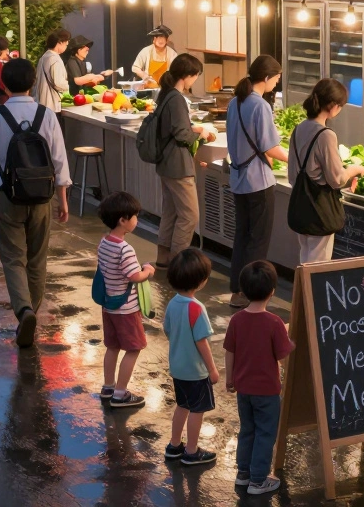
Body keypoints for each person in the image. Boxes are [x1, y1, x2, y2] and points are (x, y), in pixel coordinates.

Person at [0, 58, 71, 348]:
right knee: (37, 258)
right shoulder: (47, 115)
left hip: (8, 196)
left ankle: (24, 311)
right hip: (42, 197)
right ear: (33, 83)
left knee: (13, 257)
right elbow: (60, 162)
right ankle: (32, 311)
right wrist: (63, 200)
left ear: (3, 84)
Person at [223, 260, 294, 495]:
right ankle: (259, 480)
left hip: (243, 389)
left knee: (247, 429)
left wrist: (230, 379)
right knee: (266, 433)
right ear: (272, 291)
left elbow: (229, 351)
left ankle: (243, 473)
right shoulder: (274, 323)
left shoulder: (236, 320)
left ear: (242, 290)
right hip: (267, 391)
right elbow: (284, 356)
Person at [224, 55, 288, 308]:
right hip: (258, 182)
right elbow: (270, 147)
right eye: (277, 78)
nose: (277, 83)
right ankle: (251, 294)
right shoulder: (260, 105)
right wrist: (295, 160)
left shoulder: (234, 102)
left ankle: (237, 290)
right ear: (267, 77)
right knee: (258, 239)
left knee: (242, 235)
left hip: (238, 178)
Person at [287, 79, 364, 263]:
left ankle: (302, 292)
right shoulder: (325, 135)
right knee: (318, 266)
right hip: (319, 210)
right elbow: (337, 179)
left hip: (301, 208)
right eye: (340, 106)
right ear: (332, 106)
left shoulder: (299, 128)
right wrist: (354, 169)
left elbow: (292, 174)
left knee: (305, 260)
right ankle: (310, 293)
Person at [153, 54, 215, 266]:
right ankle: (178, 263)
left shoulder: (166, 95)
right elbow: (182, 135)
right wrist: (201, 134)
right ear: (188, 76)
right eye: (196, 75)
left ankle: (163, 259)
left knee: (170, 213)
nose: (195, 79)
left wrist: (193, 128)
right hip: (179, 165)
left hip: (165, 163)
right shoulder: (177, 99)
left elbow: (175, 129)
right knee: (189, 216)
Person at [96, 191, 156, 409]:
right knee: (134, 348)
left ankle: (108, 386)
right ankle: (120, 394)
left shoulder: (104, 243)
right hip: (126, 310)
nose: (137, 220)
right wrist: (148, 270)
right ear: (123, 220)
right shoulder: (125, 249)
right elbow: (134, 276)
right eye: (135, 216)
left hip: (108, 306)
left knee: (112, 346)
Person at [162, 248, 220, 466]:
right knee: (197, 410)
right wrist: (212, 369)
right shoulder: (197, 308)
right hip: (196, 371)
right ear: (201, 281)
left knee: (182, 405)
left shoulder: (173, 303)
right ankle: (192, 451)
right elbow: (201, 342)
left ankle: (174, 445)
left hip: (178, 368)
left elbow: (167, 330)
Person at [31, 28, 70, 112]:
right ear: (60, 42)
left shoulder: (44, 57)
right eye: (66, 44)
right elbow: (58, 83)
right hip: (51, 104)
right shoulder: (55, 59)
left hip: (40, 102)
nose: (66, 47)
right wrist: (67, 86)